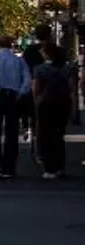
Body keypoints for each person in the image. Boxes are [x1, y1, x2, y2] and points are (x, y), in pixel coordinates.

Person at [0, 35, 33, 180]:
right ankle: (9, 167)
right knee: (12, 132)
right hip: (13, 96)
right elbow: (27, 79)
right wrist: (21, 92)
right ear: (11, 45)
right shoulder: (18, 60)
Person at [33, 43, 75, 181]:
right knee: (59, 135)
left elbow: (36, 88)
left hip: (46, 103)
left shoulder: (39, 69)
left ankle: (49, 168)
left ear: (46, 54)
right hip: (63, 103)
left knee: (46, 136)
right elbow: (71, 86)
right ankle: (60, 167)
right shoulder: (67, 68)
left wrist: (36, 100)